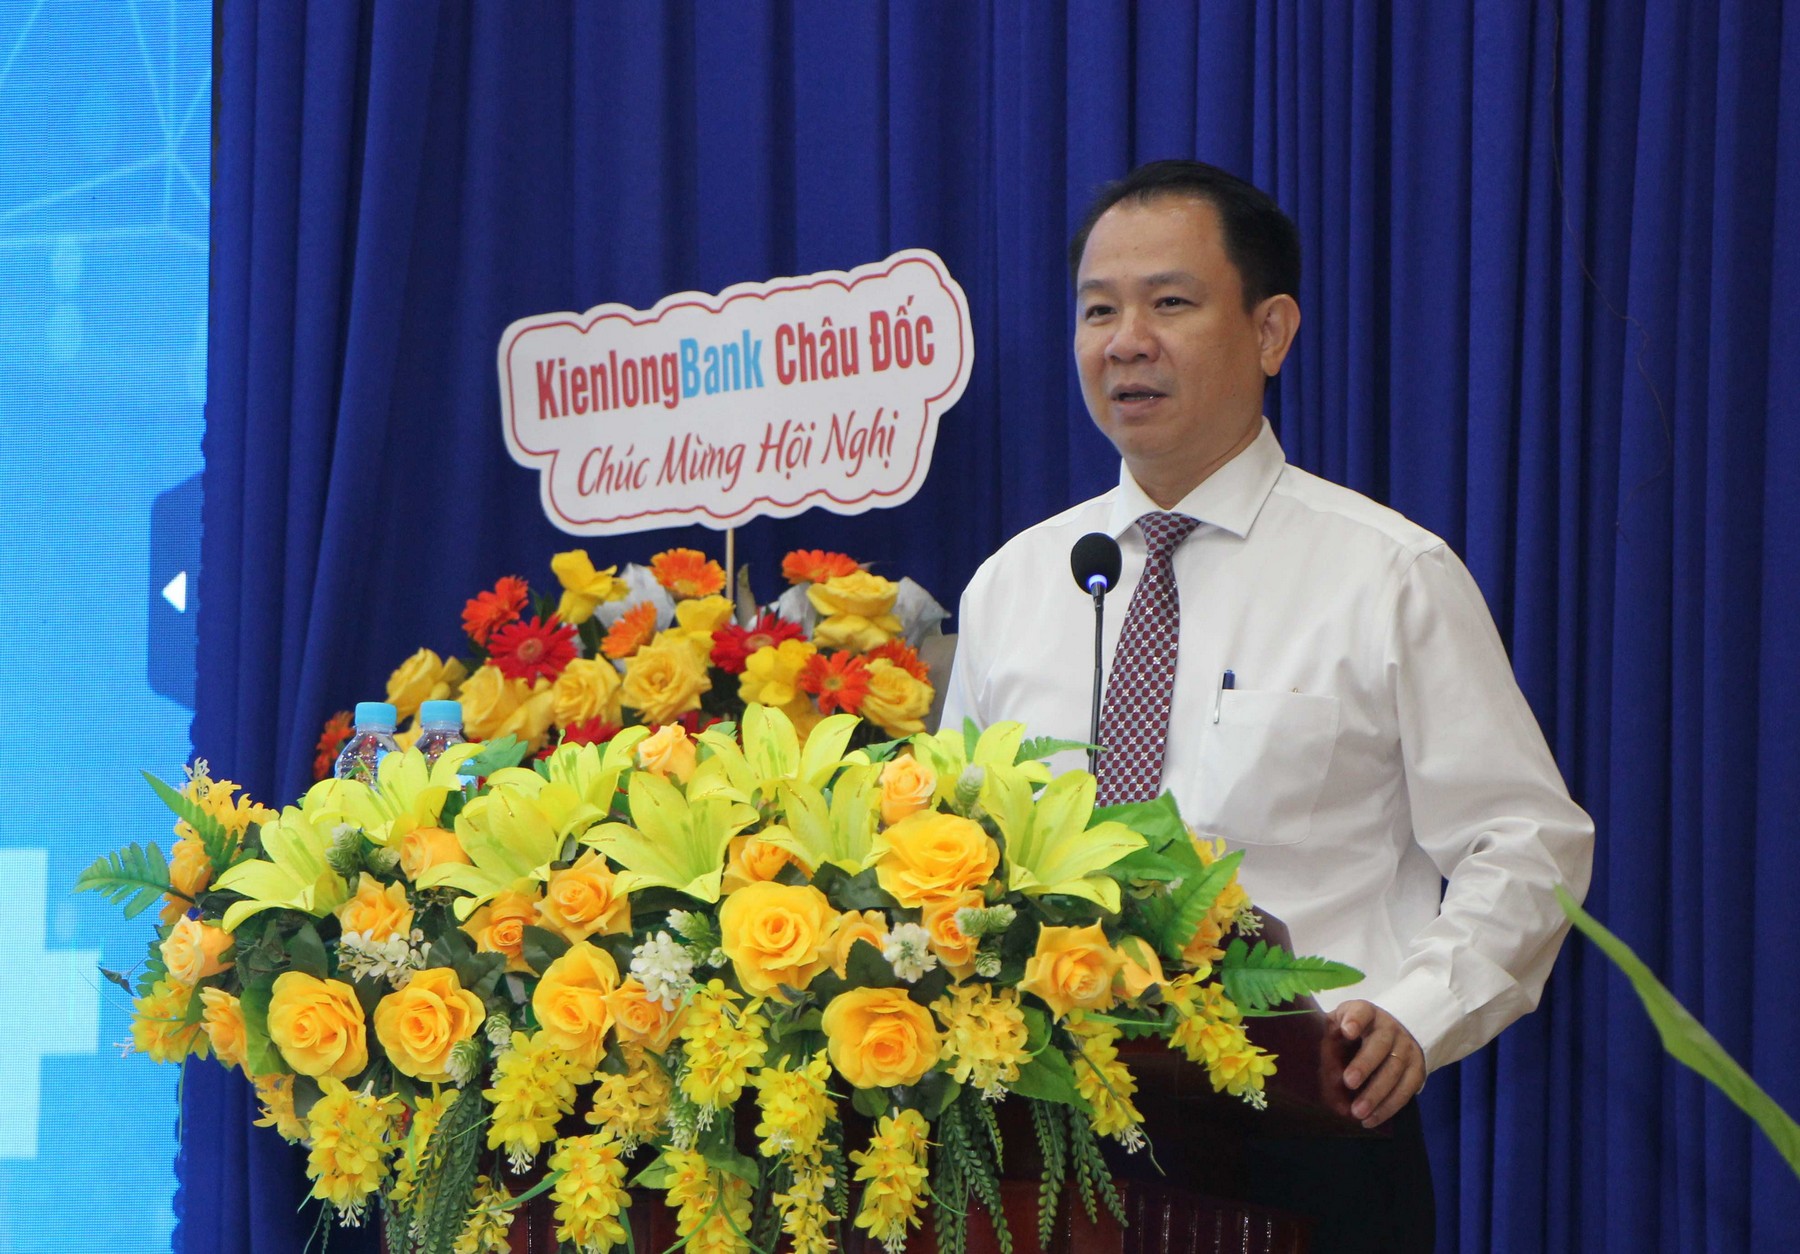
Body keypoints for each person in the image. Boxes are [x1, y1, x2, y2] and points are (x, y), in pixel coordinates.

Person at [941, 159, 1594, 1252]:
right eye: (1098, 311)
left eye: (1169, 302)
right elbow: (954, 854)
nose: (1126, 341)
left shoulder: (1385, 573)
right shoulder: (1015, 585)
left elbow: (1528, 843)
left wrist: (1415, 1018)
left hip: (1307, 1133)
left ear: (1271, 331)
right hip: (1049, 1135)